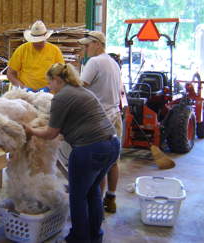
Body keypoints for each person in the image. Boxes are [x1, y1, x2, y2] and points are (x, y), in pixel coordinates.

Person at [24, 63, 120, 243]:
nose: (49, 87)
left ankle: (78, 238)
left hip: (89, 149)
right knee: (92, 192)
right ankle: (94, 236)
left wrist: (30, 130)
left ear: (57, 80)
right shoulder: (82, 91)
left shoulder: (61, 97)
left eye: (49, 82)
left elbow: (51, 133)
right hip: (112, 145)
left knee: (77, 197)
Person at [78, 31, 123, 214]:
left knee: (99, 164)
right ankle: (110, 198)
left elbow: (80, 89)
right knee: (112, 161)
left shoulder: (94, 62)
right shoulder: (113, 63)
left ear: (97, 44)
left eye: (87, 45)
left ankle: (95, 205)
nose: (85, 49)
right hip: (114, 115)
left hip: (99, 119)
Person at [7, 20, 65, 92]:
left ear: (46, 38)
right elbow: (10, 74)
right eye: (35, 41)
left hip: (48, 95)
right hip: (25, 94)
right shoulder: (22, 50)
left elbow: (62, 75)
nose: (38, 44)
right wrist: (22, 88)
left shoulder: (55, 51)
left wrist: (49, 87)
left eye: (41, 41)